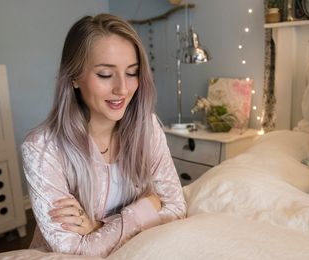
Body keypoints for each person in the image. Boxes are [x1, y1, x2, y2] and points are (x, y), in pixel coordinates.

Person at [21, 13, 186, 257]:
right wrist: (145, 209)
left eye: (132, 72)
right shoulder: (42, 148)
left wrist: (99, 226)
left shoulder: (147, 126)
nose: (122, 88)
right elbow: (71, 249)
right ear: (74, 77)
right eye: (105, 74)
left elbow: (176, 208)